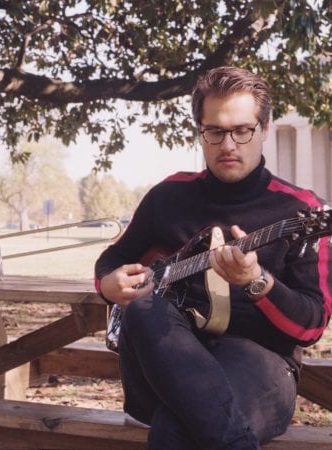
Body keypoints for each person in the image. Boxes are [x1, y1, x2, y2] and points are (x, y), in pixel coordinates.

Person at [94, 66, 332, 449]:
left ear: (265, 129)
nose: (228, 144)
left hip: (261, 372)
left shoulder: (301, 212)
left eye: (243, 130)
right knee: (142, 310)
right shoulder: (167, 197)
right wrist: (108, 283)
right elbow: (113, 259)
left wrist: (258, 282)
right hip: (160, 369)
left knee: (175, 432)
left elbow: (312, 325)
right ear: (199, 131)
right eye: (215, 131)